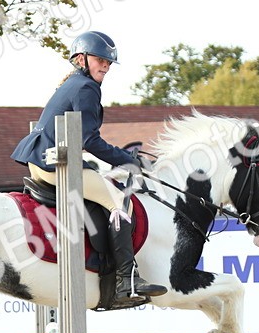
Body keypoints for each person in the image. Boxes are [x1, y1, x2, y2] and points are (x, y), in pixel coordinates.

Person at [12, 31, 166, 307]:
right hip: (55, 163)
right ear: (81, 59)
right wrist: (128, 160)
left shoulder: (73, 83)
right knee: (119, 200)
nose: (105, 67)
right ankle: (125, 279)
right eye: (100, 60)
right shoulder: (86, 88)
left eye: (108, 63)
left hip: (41, 161)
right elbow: (89, 141)